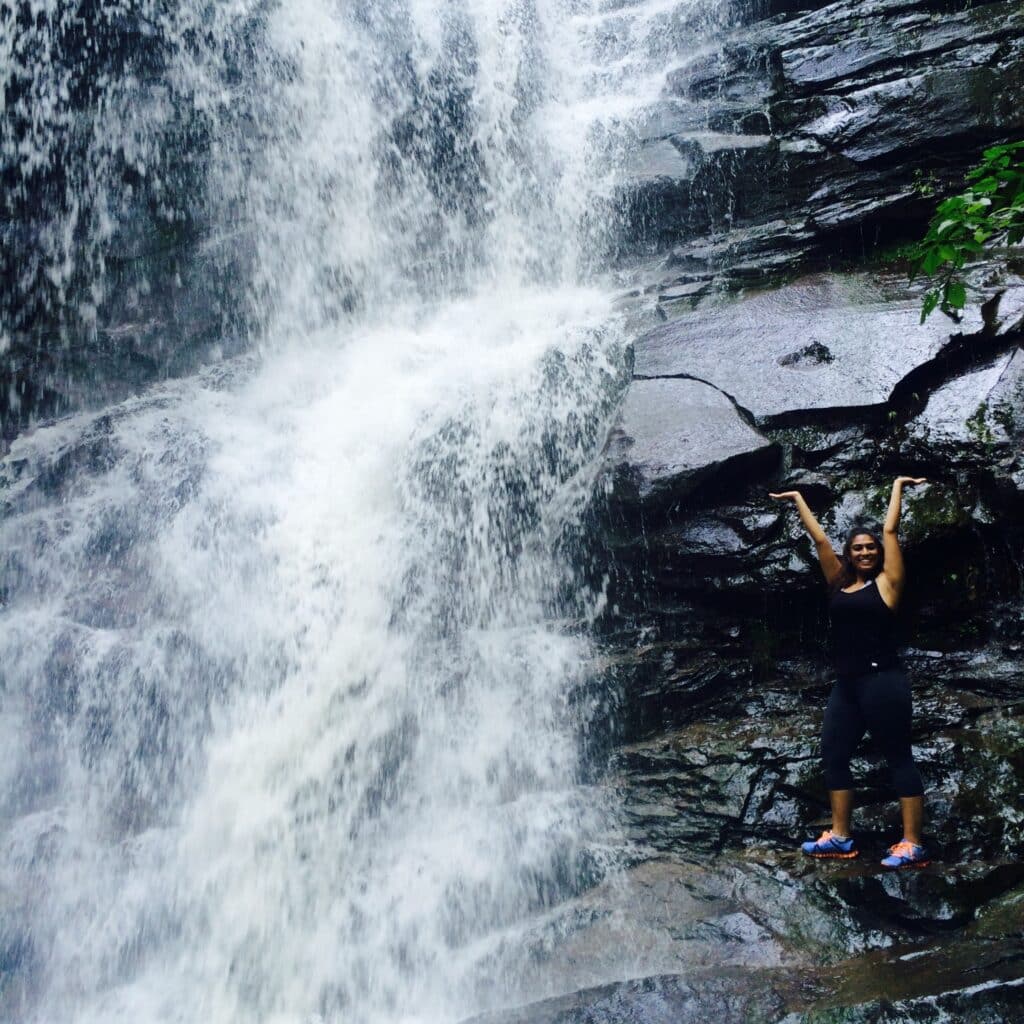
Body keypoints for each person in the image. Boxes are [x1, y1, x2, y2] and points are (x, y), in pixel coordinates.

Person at [769, 477, 929, 869]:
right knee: (834, 753)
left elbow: (891, 529)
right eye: (858, 549)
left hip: (883, 682)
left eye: (870, 548)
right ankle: (841, 837)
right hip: (847, 686)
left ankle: (912, 843)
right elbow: (821, 541)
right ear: (850, 554)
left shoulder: (888, 585)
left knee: (898, 757)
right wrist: (798, 500)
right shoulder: (838, 583)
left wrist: (897, 486)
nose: (864, 552)